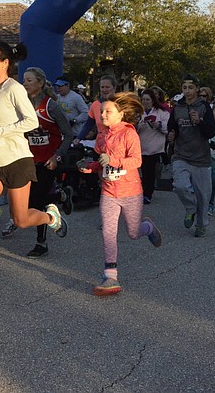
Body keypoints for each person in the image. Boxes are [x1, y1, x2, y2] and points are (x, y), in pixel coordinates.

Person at [0, 42, 67, 297]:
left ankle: (50, 217)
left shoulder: (15, 88)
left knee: (21, 220)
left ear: (4, 62)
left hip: (18, 160)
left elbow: (30, 121)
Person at [77, 92, 161, 295]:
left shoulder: (129, 134)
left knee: (133, 233)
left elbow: (136, 161)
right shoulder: (102, 136)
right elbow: (101, 163)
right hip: (108, 192)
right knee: (108, 232)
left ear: (121, 114)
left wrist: (113, 161)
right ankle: (110, 276)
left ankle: (148, 228)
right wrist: (89, 167)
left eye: (108, 111)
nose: (103, 115)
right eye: (101, 111)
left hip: (130, 191)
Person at [10, 67, 73, 258]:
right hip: (28, 159)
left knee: (37, 200)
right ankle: (61, 196)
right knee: (30, 201)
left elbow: (68, 134)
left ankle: (41, 243)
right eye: (24, 80)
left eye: (29, 80)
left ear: (40, 83)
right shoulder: (20, 106)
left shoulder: (51, 106)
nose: (25, 83)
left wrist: (57, 156)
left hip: (49, 160)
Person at [168, 74, 215, 237]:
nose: (187, 91)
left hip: (201, 158)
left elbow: (211, 132)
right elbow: (172, 127)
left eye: (190, 88)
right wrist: (171, 135)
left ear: (197, 89)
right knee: (180, 186)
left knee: (203, 195)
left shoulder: (204, 107)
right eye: (184, 88)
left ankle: (201, 225)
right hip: (181, 155)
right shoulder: (177, 108)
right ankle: (190, 208)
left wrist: (200, 122)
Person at [138, 88, 170, 204]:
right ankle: (141, 191)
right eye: (143, 99)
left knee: (150, 172)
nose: (145, 102)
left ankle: (147, 194)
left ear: (153, 100)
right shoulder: (138, 112)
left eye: (148, 99)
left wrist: (158, 125)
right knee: (143, 171)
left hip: (154, 147)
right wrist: (138, 126)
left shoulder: (162, 113)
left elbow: (167, 129)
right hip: (141, 146)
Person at [74, 74, 117, 142]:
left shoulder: (121, 104)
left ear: (114, 88)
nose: (104, 90)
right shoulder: (95, 105)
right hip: (101, 144)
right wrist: (79, 138)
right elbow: (88, 125)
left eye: (107, 87)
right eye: (102, 87)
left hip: (118, 144)